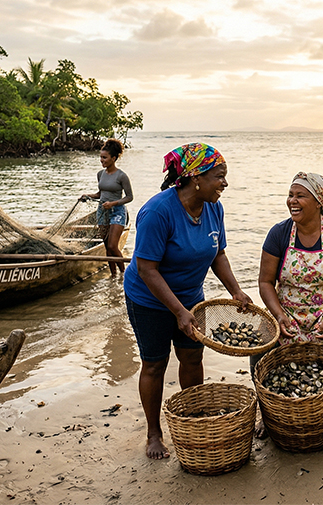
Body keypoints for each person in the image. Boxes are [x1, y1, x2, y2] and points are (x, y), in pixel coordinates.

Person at [123, 142, 252, 460]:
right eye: (219, 176)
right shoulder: (158, 211)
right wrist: (177, 311)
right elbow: (147, 269)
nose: (225, 183)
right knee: (154, 364)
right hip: (149, 300)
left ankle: (192, 417)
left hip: (191, 298)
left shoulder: (213, 207)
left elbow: (217, 254)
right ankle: (154, 433)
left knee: (192, 359)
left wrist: (236, 290)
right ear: (196, 177)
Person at [252, 172, 323, 412]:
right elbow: (265, 282)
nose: (292, 201)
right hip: (286, 310)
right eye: (290, 195)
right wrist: (279, 315)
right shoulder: (279, 233)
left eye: (300, 196)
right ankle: (267, 412)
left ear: (319, 202)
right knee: (260, 347)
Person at [81, 138, 133, 274]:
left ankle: (124, 274)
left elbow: (129, 197)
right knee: (107, 248)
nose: (102, 160)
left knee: (113, 245)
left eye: (105, 157)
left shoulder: (122, 176)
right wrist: (88, 196)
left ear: (114, 158)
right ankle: (113, 276)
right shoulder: (100, 174)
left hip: (117, 212)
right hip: (102, 211)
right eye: (100, 157)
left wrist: (113, 203)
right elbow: (100, 194)